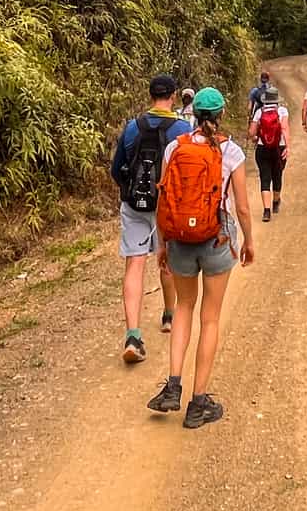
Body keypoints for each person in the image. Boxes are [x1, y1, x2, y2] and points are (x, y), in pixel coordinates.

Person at [148, 88, 256, 428]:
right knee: (209, 319)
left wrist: (162, 244)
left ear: (193, 114)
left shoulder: (174, 148)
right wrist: (249, 241)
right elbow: (240, 206)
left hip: (179, 238)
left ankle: (172, 386)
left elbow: (164, 200)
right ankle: (198, 403)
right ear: (222, 114)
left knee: (183, 307)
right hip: (216, 238)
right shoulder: (231, 151)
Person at [109, 74, 190, 365]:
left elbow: (116, 169)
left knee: (135, 263)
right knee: (165, 258)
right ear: (174, 95)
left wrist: (127, 192)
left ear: (151, 95)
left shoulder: (132, 127)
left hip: (134, 204)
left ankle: (133, 335)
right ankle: (169, 315)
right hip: (166, 204)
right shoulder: (182, 128)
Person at [247, 85, 289, 221]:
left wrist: (256, 137)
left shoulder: (259, 112)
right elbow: (285, 128)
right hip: (279, 148)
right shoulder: (282, 111)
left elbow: (252, 132)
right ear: (277, 100)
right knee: (277, 175)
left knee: (265, 178)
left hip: (262, 148)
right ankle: (275, 202)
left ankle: (266, 211)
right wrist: (288, 147)